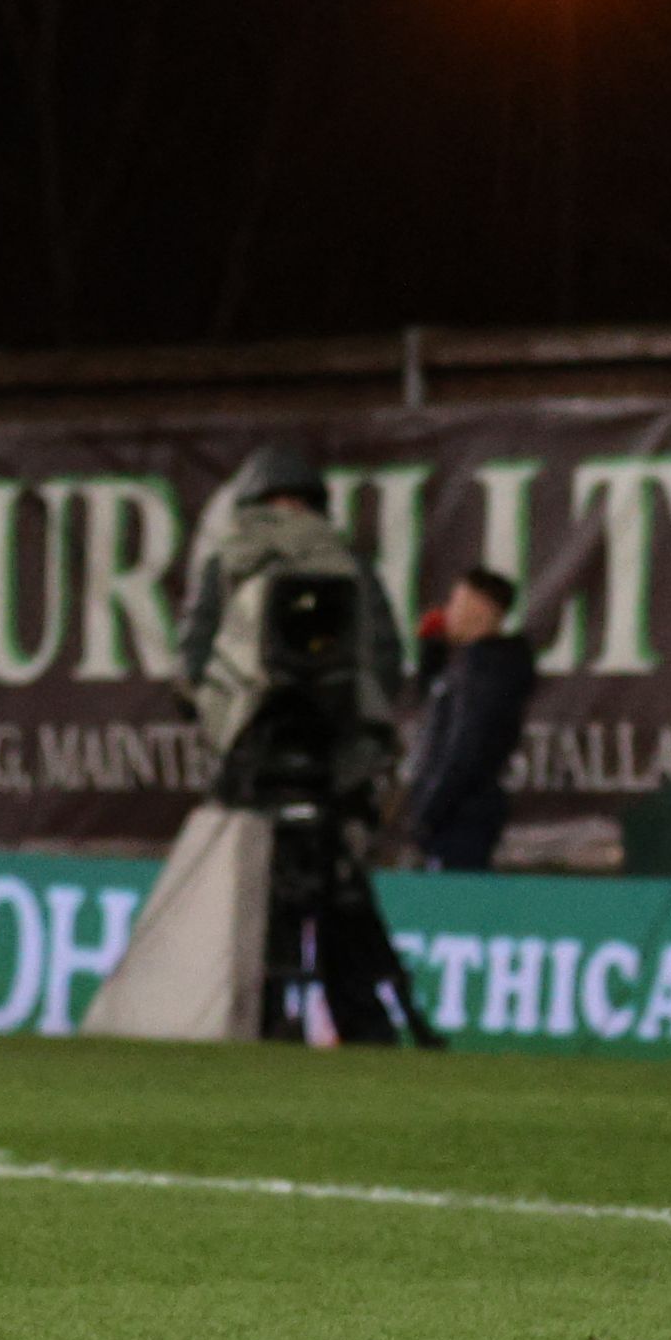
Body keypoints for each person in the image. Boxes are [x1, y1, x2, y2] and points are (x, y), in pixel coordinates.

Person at [175, 442, 434, 1043]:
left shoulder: (231, 565)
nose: (286, 516)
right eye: (280, 503)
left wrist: (232, 715)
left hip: (280, 764)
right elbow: (384, 662)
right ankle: (359, 1026)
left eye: (292, 504)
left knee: (279, 905)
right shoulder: (344, 566)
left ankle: (277, 1019)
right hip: (318, 766)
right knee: (318, 902)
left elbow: (191, 666)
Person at [406, 566, 540, 873]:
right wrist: (432, 651)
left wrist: (430, 810)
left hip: (462, 813)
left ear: (479, 607)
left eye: (456, 601)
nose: (448, 612)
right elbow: (433, 712)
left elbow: (465, 748)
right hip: (455, 813)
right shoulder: (468, 664)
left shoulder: (489, 671)